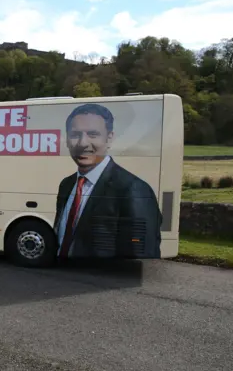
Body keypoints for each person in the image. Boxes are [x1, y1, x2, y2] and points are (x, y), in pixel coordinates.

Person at [53, 103, 162, 259]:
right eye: (75, 134)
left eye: (92, 134)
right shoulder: (67, 184)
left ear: (109, 138)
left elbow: (142, 253)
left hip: (100, 281)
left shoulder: (133, 188)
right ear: (67, 140)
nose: (82, 143)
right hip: (65, 277)